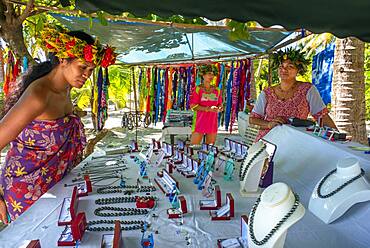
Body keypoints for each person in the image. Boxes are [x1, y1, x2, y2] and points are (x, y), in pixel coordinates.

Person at [0, 28, 116, 223]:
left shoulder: (65, 90)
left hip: (54, 187)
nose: (87, 75)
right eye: (82, 67)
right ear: (63, 60)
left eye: (91, 70)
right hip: (25, 192)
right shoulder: (39, 96)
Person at [249, 48, 337, 141]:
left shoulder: (307, 90)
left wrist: (338, 136)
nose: (284, 69)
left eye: (290, 66)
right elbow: (252, 119)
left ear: (298, 70)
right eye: (281, 66)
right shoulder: (267, 93)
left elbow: (322, 116)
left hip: (294, 142)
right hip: (267, 142)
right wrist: (268, 124)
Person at [190, 65, 223, 145]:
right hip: (199, 122)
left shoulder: (217, 90)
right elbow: (193, 106)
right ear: (203, 75)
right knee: (194, 148)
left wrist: (219, 108)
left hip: (212, 123)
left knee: (210, 149)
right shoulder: (197, 89)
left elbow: (220, 105)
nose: (211, 76)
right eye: (209, 73)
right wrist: (208, 109)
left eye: (212, 74)